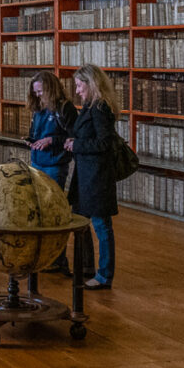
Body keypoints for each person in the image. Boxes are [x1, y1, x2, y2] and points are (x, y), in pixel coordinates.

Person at [64, 64, 120, 290]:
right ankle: (85, 267)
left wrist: (77, 144)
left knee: (101, 226)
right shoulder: (89, 107)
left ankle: (105, 275)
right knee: (81, 222)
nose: (77, 91)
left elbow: (105, 143)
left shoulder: (100, 109)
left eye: (79, 85)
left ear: (92, 84)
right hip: (86, 175)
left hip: (97, 177)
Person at [25, 71, 81, 275]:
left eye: (41, 91)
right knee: (38, 211)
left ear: (50, 89)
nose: (38, 96)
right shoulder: (39, 107)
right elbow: (37, 133)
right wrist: (31, 140)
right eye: (35, 92)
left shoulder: (65, 108)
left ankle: (58, 258)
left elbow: (73, 138)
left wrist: (52, 141)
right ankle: (41, 255)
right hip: (37, 162)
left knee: (54, 212)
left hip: (55, 165)